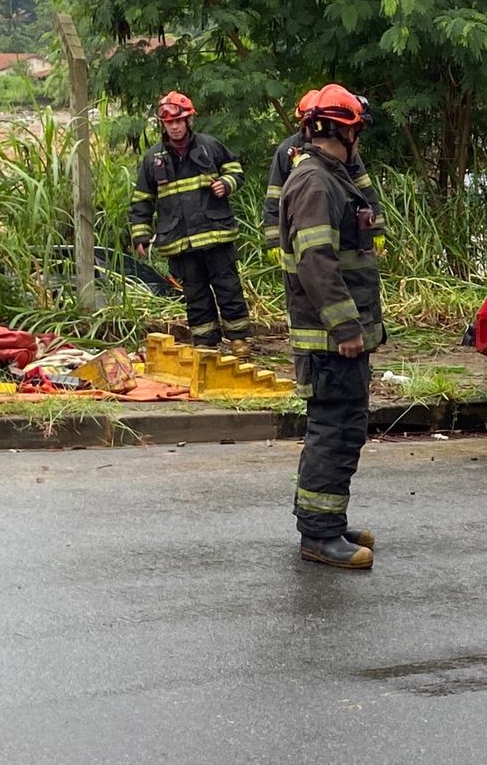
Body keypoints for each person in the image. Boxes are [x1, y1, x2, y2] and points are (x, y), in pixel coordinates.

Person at [278, 84, 385, 569]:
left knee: (344, 428)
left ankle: (328, 519)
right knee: (334, 430)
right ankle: (318, 536)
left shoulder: (330, 177)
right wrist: (345, 328)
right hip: (330, 339)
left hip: (338, 336)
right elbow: (316, 262)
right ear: (346, 132)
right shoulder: (316, 183)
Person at [128, 91, 254, 357]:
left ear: (188, 121)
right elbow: (141, 200)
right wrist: (140, 235)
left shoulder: (209, 146)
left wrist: (227, 184)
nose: (174, 126)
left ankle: (239, 339)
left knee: (228, 288)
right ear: (162, 124)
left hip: (215, 235)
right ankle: (205, 343)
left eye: (179, 121)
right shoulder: (154, 159)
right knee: (195, 295)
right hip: (180, 241)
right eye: (169, 122)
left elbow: (236, 170)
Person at [262, 91, 384, 264]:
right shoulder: (288, 151)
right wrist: (274, 239)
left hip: (345, 230)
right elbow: (274, 196)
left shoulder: (344, 149)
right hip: (302, 232)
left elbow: (364, 188)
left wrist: (376, 227)